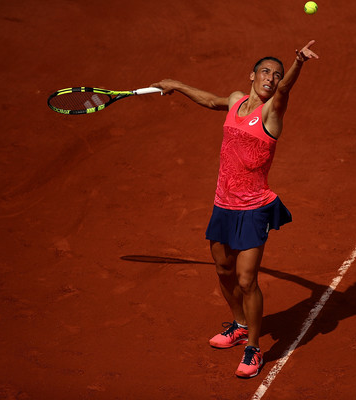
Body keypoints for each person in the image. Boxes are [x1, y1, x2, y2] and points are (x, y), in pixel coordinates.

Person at [151, 40, 319, 379]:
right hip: (223, 204)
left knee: (246, 279)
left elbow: (285, 90)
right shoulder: (235, 100)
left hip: (254, 208)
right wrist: (177, 84)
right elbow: (211, 100)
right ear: (253, 75)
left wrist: (297, 63)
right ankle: (239, 324)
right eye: (266, 72)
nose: (272, 78)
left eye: (277, 74)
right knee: (224, 271)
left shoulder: (272, 112)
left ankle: (253, 348)